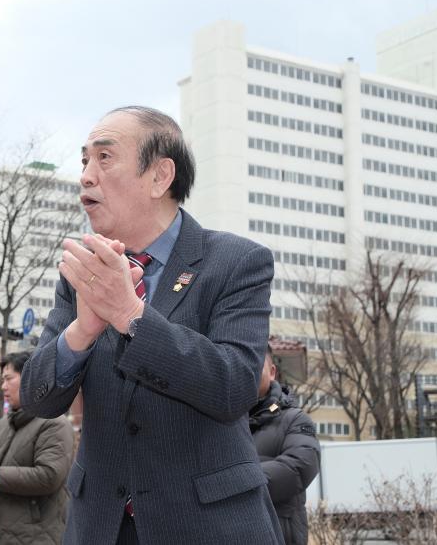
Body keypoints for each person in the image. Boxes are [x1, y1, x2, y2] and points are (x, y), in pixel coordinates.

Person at [19, 106, 283, 544]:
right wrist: (80, 334)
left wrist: (131, 316)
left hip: (208, 525)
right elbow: (38, 399)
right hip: (101, 526)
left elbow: (234, 388)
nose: (86, 175)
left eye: (104, 158)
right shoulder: (84, 273)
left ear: (160, 177)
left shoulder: (236, 262)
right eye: (84, 160)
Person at [0, 350, 74, 544]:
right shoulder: (3, 424)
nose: (3, 387)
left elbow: (50, 475)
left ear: (29, 378)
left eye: (9, 379)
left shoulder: (54, 423)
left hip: (36, 537)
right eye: (2, 380)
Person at [250, 349, 321, 545]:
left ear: (272, 372)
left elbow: (300, 466)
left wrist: (241, 480)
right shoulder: (222, 422)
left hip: (279, 534)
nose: (248, 371)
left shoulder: (295, 419)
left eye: (256, 364)